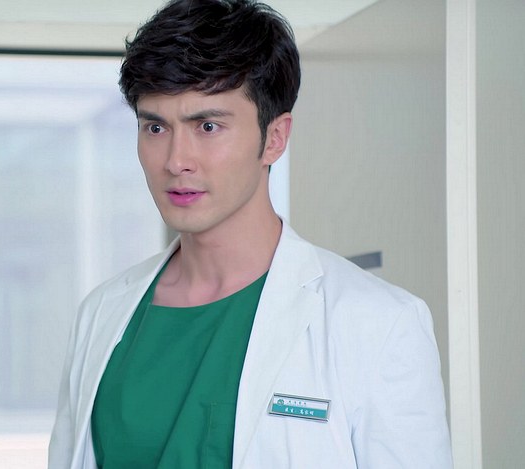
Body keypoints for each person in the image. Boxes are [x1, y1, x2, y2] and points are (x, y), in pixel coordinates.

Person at [48, 0, 452, 467]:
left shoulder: (379, 323)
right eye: (155, 127)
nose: (176, 160)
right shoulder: (101, 314)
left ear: (274, 138)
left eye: (208, 126)